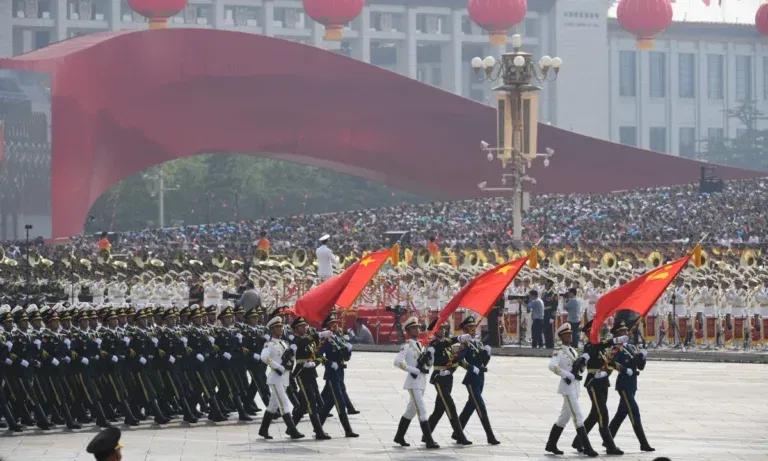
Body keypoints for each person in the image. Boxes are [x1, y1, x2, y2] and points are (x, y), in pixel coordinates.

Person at [571, 320, 627, 455]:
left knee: (595, 415)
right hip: (593, 383)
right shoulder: (590, 345)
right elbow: (595, 348)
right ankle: (610, 445)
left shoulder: (600, 347)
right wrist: (614, 340)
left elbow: (610, 362)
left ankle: (578, 442)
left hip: (603, 382)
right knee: (603, 414)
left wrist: (625, 370)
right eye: (593, 331)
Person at [545, 323, 599, 457]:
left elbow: (580, 369)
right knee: (578, 416)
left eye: (570, 334)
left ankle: (551, 444)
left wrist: (583, 363)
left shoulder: (574, 350)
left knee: (564, 418)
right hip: (567, 387)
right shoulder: (559, 351)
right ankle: (587, 448)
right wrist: (566, 374)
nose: (569, 336)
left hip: (575, 386)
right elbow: (552, 366)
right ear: (561, 336)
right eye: (566, 334)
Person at [392, 316, 439, 449]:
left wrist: (431, 355)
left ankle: (399, 436)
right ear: (408, 331)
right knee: (422, 410)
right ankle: (429, 440)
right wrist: (412, 369)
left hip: (422, 382)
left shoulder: (420, 345)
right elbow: (397, 362)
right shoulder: (406, 346)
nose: (416, 330)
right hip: (413, 383)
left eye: (417, 327)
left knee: (410, 411)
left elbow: (428, 365)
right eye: (413, 328)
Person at [423, 318, 472, 445]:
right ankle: (460, 436)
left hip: (448, 377)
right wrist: (458, 338)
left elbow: (455, 361)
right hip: (439, 378)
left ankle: (426, 434)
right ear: (434, 331)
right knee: (451, 407)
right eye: (440, 329)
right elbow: (442, 345)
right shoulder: (433, 344)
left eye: (444, 328)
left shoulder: (447, 345)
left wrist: (470, 367)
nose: (443, 330)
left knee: (439, 410)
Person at [608, 321, 655, 452]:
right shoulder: (616, 348)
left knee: (621, 414)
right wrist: (625, 370)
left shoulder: (631, 347)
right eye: (621, 331)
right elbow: (611, 363)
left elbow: (639, 366)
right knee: (634, 412)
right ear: (617, 334)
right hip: (623, 384)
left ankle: (608, 440)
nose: (625, 333)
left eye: (625, 331)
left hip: (632, 385)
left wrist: (643, 356)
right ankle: (643, 443)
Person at [454, 315, 500, 445]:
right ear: (465, 330)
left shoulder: (479, 343)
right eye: (470, 328)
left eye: (474, 328)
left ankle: (457, 433)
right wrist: (470, 367)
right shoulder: (465, 344)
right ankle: (490, 436)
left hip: (480, 377)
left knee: (471, 406)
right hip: (471, 379)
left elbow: (483, 363)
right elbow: (458, 360)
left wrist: (487, 354)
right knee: (481, 406)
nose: (473, 330)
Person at [258, 315, 304, 440]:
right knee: (284, 404)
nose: (281, 328)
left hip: (285, 378)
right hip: (275, 378)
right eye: (278, 327)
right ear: (272, 330)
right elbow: (264, 357)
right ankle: (293, 431)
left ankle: (263, 430)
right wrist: (278, 366)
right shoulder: (269, 344)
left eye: (281, 326)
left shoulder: (284, 343)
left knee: (273, 406)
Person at [542, 279, 559, 348]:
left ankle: (551, 345)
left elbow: (554, 306)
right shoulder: (544, 293)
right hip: (544, 314)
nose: (545, 286)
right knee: (545, 330)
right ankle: (547, 344)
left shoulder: (553, 294)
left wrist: (552, 317)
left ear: (550, 285)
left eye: (546, 284)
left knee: (550, 331)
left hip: (550, 314)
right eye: (545, 284)